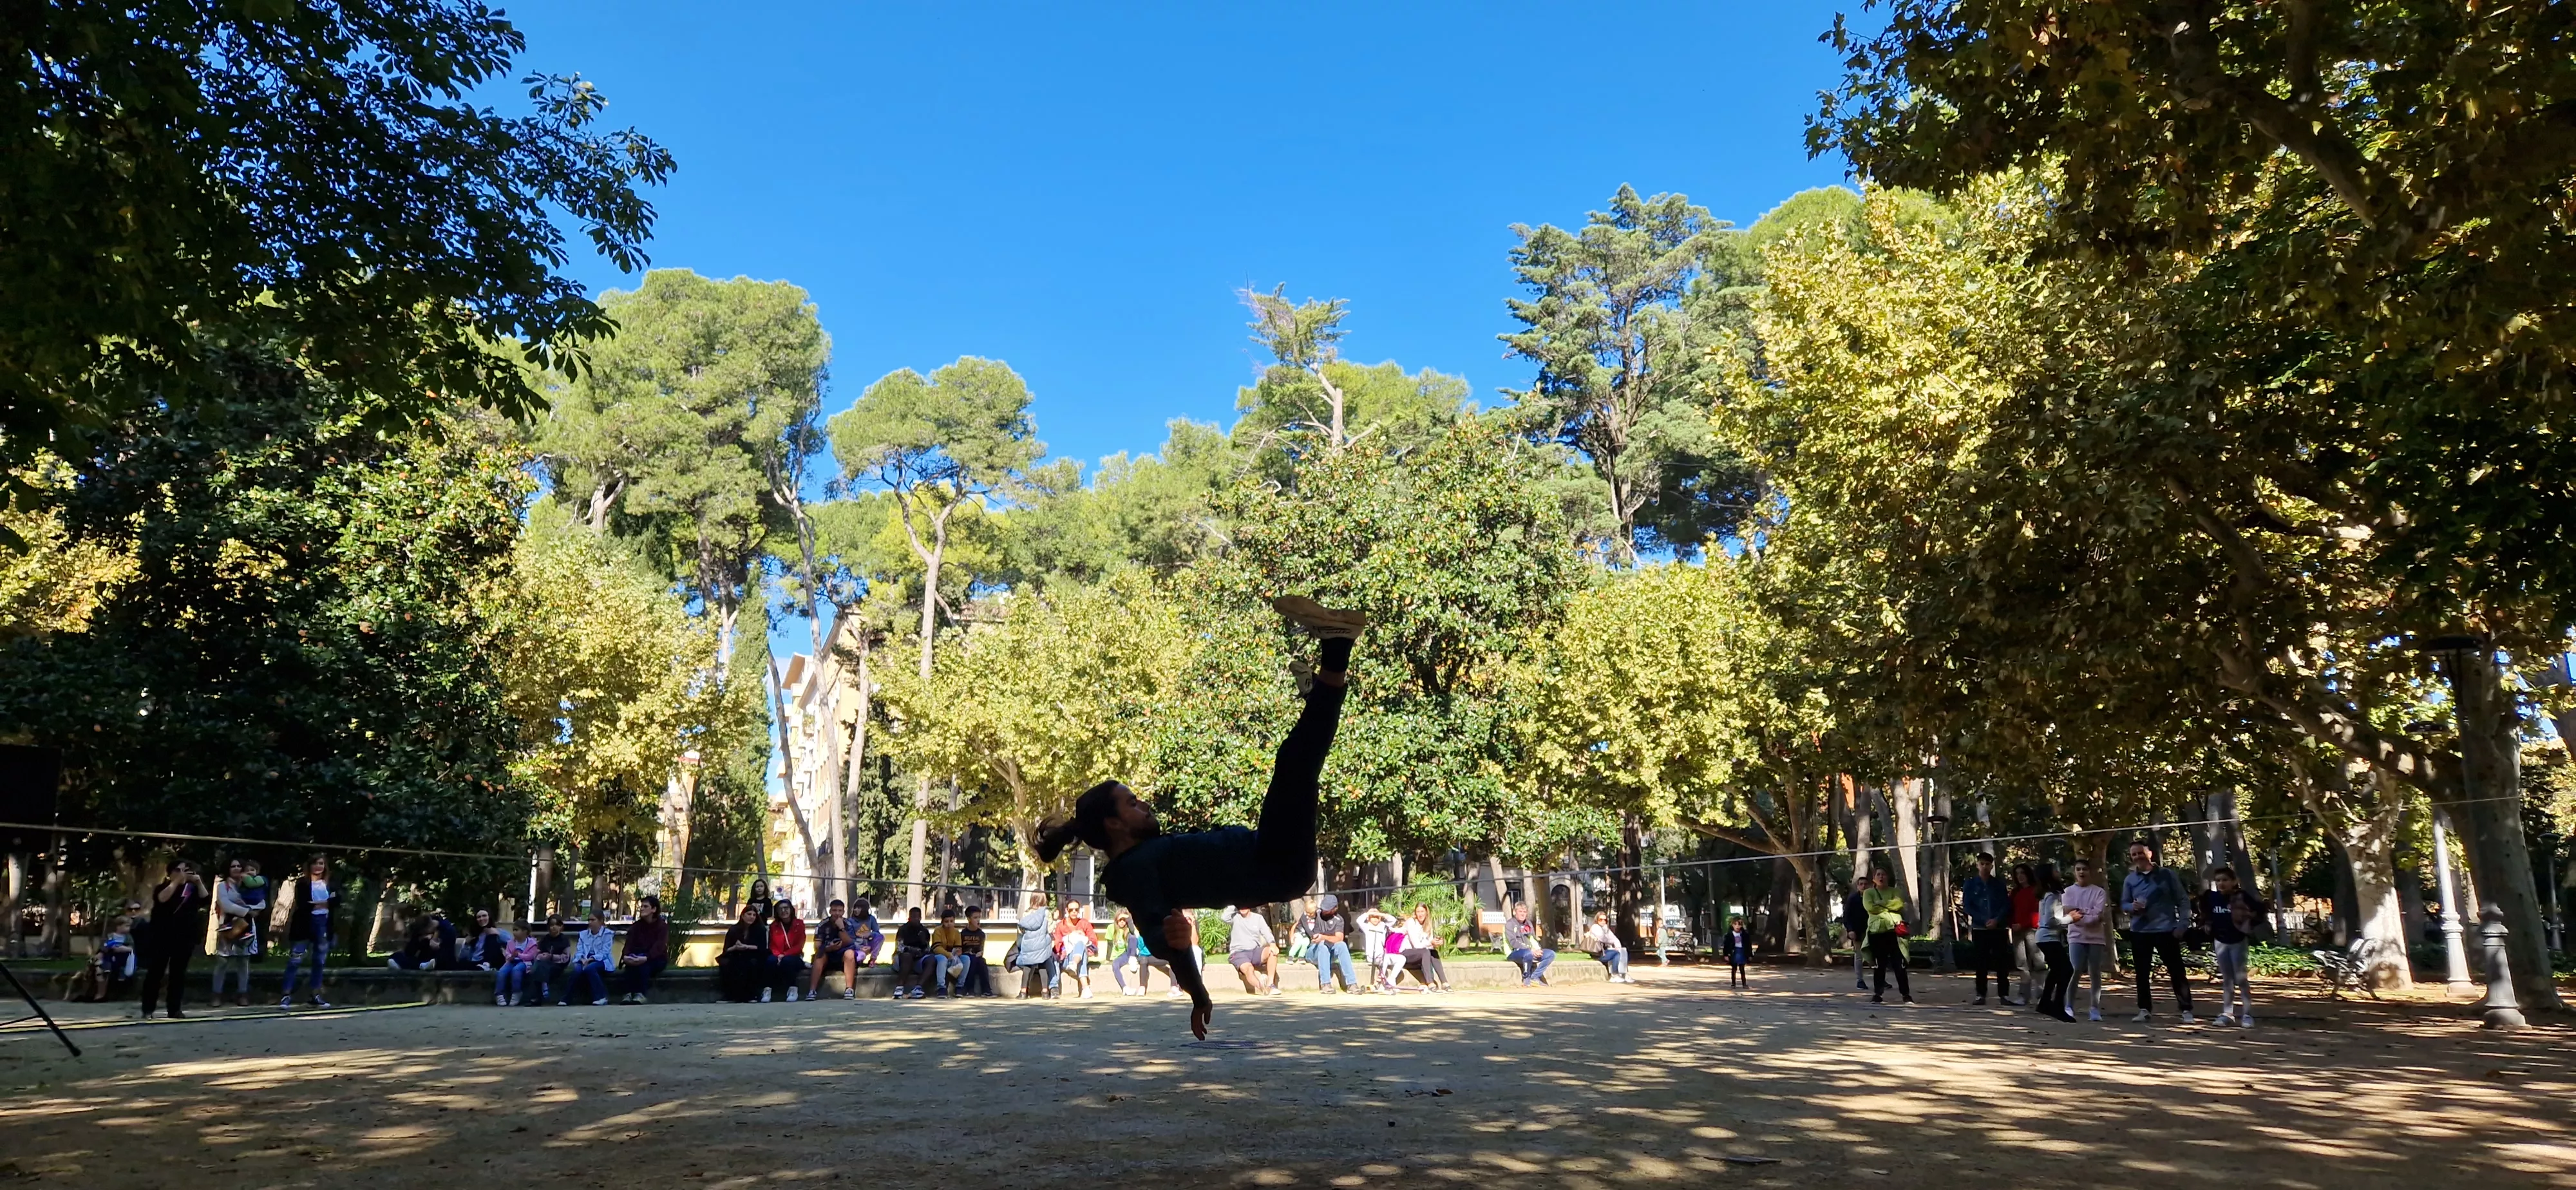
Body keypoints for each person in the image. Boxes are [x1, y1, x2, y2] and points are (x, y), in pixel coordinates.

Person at [1032, 595, 1363, 1037]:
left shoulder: (1145, 857)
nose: (1144, 805)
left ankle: (1323, 687)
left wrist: (1198, 990)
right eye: (1133, 803)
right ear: (1113, 824)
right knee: (1295, 763)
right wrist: (1195, 988)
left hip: (1269, 852)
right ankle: (1336, 651)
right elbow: (1163, 936)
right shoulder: (1132, 872)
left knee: (1298, 761)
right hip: (1276, 862)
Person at [2121, 842, 2195, 1024]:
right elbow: (2124, 903)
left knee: (2176, 971)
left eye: (2140, 853)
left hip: (2166, 930)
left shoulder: (2167, 875)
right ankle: (2144, 1009)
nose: (2137, 857)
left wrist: (2183, 924)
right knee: (2142, 973)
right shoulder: (2130, 880)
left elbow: (2182, 900)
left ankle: (2186, 1009)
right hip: (2140, 931)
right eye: (2134, 854)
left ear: (2150, 854)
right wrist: (2132, 907)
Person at [136, 858, 209, 1020]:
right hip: (162, 936)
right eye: (178, 870)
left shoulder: (192, 889)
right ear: (170, 873)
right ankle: (148, 1009)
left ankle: (174, 1009)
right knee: (156, 972)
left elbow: (205, 899)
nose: (182, 873)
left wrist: (198, 882)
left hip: (185, 937)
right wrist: (175, 882)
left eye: (185, 870)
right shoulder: (162, 888)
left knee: (178, 974)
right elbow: (162, 899)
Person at [2204, 864, 2266, 1028]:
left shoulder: (2242, 897)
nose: (2221, 884)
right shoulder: (2213, 898)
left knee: (2241, 979)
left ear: (2233, 881)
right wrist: (2208, 925)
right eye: (2218, 881)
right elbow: (2206, 912)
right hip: (2220, 941)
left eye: (2225, 880)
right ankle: (2227, 1013)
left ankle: (2247, 1014)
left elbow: (2260, 911)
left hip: (2238, 941)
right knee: (2227, 979)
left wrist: (2248, 924)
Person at [280, 856, 337, 1009]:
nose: (319, 867)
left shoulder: (330, 883)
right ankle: (286, 995)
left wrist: (322, 904)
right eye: (315, 863)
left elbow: (336, 901)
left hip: (323, 924)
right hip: (304, 925)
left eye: (321, 864)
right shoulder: (303, 883)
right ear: (310, 866)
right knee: (295, 960)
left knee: (319, 961)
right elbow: (303, 904)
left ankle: (315, 995)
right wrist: (323, 903)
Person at [2060, 858, 2112, 1021]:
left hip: (2096, 938)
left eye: (2085, 869)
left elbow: (2098, 915)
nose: (2082, 872)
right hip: (2076, 937)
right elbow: (2069, 914)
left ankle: (2094, 1009)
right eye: (2079, 869)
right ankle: (2069, 1006)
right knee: (2074, 970)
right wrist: (2089, 914)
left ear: (2090, 872)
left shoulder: (2099, 892)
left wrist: (2080, 913)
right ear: (2074, 872)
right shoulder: (2067, 892)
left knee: (2095, 972)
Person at [1960, 852, 2015, 1006]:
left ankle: (2004, 994)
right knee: (1981, 962)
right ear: (1977, 865)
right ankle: (1981, 994)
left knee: (2002, 962)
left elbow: (2006, 904)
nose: (1985, 867)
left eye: (1988, 864)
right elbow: (1968, 906)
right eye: (1982, 864)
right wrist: (1984, 920)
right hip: (1980, 928)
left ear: (1992, 866)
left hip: (1999, 928)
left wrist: (1997, 920)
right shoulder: (1970, 884)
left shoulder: (1999, 884)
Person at [212, 858, 261, 1006]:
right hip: (228, 926)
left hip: (247, 927)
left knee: (244, 961)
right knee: (222, 961)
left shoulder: (250, 885)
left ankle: (243, 994)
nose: (236, 868)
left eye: (239, 866)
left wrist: (252, 910)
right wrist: (247, 911)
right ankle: (216, 994)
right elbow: (226, 905)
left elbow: (261, 902)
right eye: (233, 866)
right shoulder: (223, 886)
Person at [1861, 867, 1912, 1005]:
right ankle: (1878, 994)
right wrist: (1889, 907)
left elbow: (1898, 904)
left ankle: (1906, 994)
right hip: (1877, 932)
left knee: (1899, 965)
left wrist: (1880, 904)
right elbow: (1870, 908)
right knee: (1879, 965)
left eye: (1883, 874)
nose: (1881, 877)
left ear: (1887, 877)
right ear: (1874, 879)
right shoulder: (1868, 893)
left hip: (1894, 932)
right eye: (1878, 875)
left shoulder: (1895, 891)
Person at [2033, 864, 2076, 1022]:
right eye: (2055, 870)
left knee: (2057, 970)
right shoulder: (2052, 895)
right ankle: (2057, 1006)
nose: (2059, 872)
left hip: (2045, 937)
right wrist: (2071, 919)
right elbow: (2051, 921)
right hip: (2048, 937)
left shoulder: (2047, 894)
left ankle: (2045, 1002)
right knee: (2067, 970)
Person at [1302, 895, 1359, 993]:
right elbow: (1301, 921)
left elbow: (1339, 938)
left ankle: (1352, 984)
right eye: (1323, 908)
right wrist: (1293, 935)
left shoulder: (1339, 920)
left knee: (1342, 945)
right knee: (1323, 946)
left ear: (1335, 908)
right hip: (1313, 951)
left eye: (1327, 910)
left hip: (1329, 951)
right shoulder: (1316, 913)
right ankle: (1325, 984)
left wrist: (1323, 937)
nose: (1324, 911)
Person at [620, 895, 670, 1004]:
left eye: (645, 906)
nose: (642, 909)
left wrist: (647, 957)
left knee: (644, 966)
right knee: (630, 966)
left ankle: (641, 994)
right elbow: (629, 944)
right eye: (641, 906)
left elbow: (659, 947)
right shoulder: (636, 926)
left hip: (656, 958)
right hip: (637, 955)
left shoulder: (662, 926)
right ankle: (628, 994)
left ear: (654, 909)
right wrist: (626, 956)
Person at [809, 898, 861, 1001]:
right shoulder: (823, 925)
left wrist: (841, 928)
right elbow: (817, 946)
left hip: (842, 955)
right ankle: (812, 991)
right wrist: (829, 948)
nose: (837, 913)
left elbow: (850, 942)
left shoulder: (848, 924)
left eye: (840, 911)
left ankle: (849, 989)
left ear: (844, 912)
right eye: (834, 910)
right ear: (830, 911)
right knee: (819, 956)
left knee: (850, 954)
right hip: (827, 954)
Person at [2007, 862, 2043, 1007]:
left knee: (2039, 963)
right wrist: (2012, 924)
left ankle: (2042, 995)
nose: (2020, 876)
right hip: (2017, 932)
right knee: (2022, 964)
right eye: (2017, 874)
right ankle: (2023, 996)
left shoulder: (2036, 890)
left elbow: (2037, 912)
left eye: (2022, 873)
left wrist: (2024, 924)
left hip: (2033, 930)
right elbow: (2010, 910)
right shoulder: (2015, 892)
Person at [719, 905, 770, 1003]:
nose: (752, 917)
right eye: (749, 914)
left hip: (754, 954)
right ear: (743, 916)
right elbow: (727, 949)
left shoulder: (760, 930)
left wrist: (746, 947)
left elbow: (762, 948)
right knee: (729, 964)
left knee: (752, 964)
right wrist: (736, 947)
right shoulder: (734, 929)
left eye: (754, 915)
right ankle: (730, 995)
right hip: (736, 954)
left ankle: (751, 995)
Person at [1226, 904, 1276, 996]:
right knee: (1249, 969)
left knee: (1272, 951)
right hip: (1239, 952)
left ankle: (1271, 985)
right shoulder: (1235, 917)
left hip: (1255, 951)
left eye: (1245, 905)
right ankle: (1261, 987)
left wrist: (1273, 944)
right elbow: (1224, 917)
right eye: (1241, 905)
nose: (1243, 908)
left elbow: (1266, 932)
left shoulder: (1258, 918)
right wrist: (1235, 903)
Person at [1399, 903, 1450, 992]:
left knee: (1433, 952)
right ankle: (1430, 982)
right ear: (1415, 913)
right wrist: (1431, 943)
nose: (1420, 914)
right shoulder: (1411, 922)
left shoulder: (1428, 925)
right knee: (1425, 952)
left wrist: (1436, 943)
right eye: (1418, 912)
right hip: (1405, 953)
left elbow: (1429, 946)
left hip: (1419, 954)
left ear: (1426, 912)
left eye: (1422, 911)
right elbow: (1417, 945)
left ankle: (1444, 983)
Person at [1008, 906, 1057, 999]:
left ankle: (1023, 992)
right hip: (1042, 944)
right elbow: (1050, 929)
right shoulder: (1046, 913)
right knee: (1043, 964)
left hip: (1029, 945)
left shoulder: (1027, 913)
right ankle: (1045, 993)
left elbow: (1021, 929)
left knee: (1027, 966)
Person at [569, 914, 618, 1006]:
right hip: (585, 958)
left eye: (593, 920)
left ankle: (602, 997)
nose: (590, 922)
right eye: (589, 920)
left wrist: (592, 959)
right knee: (577, 970)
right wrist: (582, 959)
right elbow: (580, 950)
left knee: (590, 968)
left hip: (602, 960)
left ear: (601, 921)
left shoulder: (607, 934)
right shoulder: (583, 934)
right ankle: (567, 998)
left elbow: (605, 952)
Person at [1054, 902, 1099, 999]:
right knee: (1081, 952)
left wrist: (1084, 936)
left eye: (1076, 909)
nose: (1074, 912)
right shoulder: (1061, 925)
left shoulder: (1085, 923)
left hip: (1081, 956)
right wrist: (1069, 938)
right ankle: (1086, 988)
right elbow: (1057, 945)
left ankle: (1074, 964)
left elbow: (1094, 941)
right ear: (1067, 910)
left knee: (1081, 944)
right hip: (1066, 959)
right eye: (1071, 910)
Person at [1504, 901, 1555, 987]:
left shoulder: (1528, 924)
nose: (1522, 914)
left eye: (1524, 912)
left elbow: (1533, 939)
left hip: (1530, 952)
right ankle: (1526, 978)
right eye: (1520, 911)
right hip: (1514, 953)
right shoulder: (1510, 924)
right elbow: (1513, 942)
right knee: (1528, 954)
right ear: (1514, 912)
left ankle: (1535, 977)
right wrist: (1530, 950)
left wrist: (1538, 950)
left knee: (1551, 954)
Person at [767, 899, 808, 1003]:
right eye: (780, 909)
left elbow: (799, 945)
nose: (783, 911)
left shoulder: (799, 924)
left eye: (786, 908)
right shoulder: (774, 926)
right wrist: (778, 955)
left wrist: (785, 955)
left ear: (791, 910)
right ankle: (767, 990)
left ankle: (793, 989)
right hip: (778, 955)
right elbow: (772, 945)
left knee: (788, 961)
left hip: (794, 956)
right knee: (770, 961)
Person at [528, 915, 573, 1006]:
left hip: (558, 964)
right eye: (552, 925)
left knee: (541, 967)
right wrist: (541, 956)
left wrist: (552, 957)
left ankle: (540, 993)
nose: (554, 927)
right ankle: (542, 990)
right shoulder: (545, 939)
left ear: (561, 927)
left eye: (557, 925)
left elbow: (566, 957)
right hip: (544, 963)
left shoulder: (564, 940)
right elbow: (537, 952)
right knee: (539, 965)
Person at [924, 907, 967, 997]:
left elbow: (958, 947)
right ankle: (941, 988)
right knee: (942, 959)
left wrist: (958, 952)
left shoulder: (956, 932)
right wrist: (948, 955)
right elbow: (936, 948)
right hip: (939, 955)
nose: (949, 924)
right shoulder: (938, 931)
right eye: (946, 922)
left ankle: (960, 986)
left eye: (951, 921)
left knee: (966, 959)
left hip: (953, 956)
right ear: (942, 922)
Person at [1358, 906, 1401, 993]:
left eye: (1377, 917)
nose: (1375, 919)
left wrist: (1381, 914)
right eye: (1373, 917)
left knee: (1401, 959)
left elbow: (1393, 920)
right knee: (1385, 958)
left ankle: (1392, 980)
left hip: (1383, 956)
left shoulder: (1383, 926)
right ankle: (1381, 983)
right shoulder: (1366, 927)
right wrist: (1369, 913)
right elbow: (1359, 920)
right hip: (1372, 956)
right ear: (1369, 918)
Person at [893, 907, 933, 999]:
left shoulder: (924, 931)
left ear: (921, 918)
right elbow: (899, 948)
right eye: (913, 917)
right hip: (902, 960)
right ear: (909, 918)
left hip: (918, 960)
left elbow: (928, 949)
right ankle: (899, 988)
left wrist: (923, 943)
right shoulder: (903, 930)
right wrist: (911, 950)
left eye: (918, 917)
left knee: (931, 959)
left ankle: (918, 988)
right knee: (907, 956)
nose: (916, 919)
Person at [1583, 911, 1631, 984]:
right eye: (1601, 920)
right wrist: (1612, 942)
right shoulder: (1596, 927)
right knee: (1616, 954)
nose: (1603, 921)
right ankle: (1615, 975)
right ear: (1597, 920)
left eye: (1605, 920)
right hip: (1597, 953)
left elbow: (1614, 938)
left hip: (1603, 952)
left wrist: (1618, 946)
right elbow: (1603, 939)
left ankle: (1623, 974)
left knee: (1622, 951)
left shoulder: (1605, 928)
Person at [1839, 879, 1870, 991]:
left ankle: (1881, 979)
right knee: (1859, 955)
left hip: (1872, 930)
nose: (1863, 886)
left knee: (1876, 956)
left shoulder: (1872, 897)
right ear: (1858, 886)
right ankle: (1860, 980)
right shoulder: (1853, 898)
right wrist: (1850, 930)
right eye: (1861, 884)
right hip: (1858, 931)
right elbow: (1847, 916)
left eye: (1865, 884)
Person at [957, 905, 994, 996]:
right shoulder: (963, 934)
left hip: (976, 957)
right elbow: (960, 949)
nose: (978, 920)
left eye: (979, 918)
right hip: (966, 958)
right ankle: (969, 989)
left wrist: (980, 953)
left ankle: (986, 990)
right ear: (969, 919)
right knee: (971, 960)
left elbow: (981, 949)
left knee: (982, 961)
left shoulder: (981, 934)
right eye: (975, 918)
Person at [496, 930, 538, 1006]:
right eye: (514, 930)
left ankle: (516, 992)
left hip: (525, 962)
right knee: (502, 971)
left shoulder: (532, 943)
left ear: (525, 932)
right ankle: (499, 994)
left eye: (517, 930)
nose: (514, 932)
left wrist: (519, 955)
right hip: (512, 961)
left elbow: (530, 956)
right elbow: (507, 953)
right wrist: (510, 957)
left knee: (516, 970)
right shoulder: (511, 942)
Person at [851, 898, 884, 966]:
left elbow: (877, 933)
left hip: (868, 943)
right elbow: (849, 939)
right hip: (857, 947)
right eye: (855, 908)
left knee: (880, 937)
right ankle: (858, 962)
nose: (856, 910)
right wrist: (860, 948)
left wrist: (870, 934)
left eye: (858, 908)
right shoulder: (850, 921)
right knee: (861, 957)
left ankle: (872, 960)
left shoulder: (871, 919)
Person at [1722, 916, 1752, 989]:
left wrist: (1750, 955)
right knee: (1734, 968)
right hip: (1734, 952)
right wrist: (1726, 954)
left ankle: (1744, 983)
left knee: (1742, 968)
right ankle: (1733, 983)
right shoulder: (1729, 935)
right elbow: (1726, 945)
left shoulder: (1745, 935)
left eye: (1739, 924)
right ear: (1732, 925)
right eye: (1735, 924)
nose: (1737, 926)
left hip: (1742, 951)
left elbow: (1748, 945)